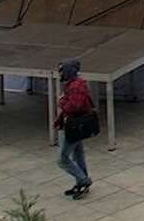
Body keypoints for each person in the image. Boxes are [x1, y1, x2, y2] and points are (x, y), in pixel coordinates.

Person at [53, 58, 95, 199]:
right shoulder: (75, 84)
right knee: (78, 153)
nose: (60, 74)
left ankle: (83, 180)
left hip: (73, 125)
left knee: (62, 158)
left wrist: (62, 102)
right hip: (78, 125)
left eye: (62, 71)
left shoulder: (75, 86)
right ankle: (81, 181)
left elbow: (74, 106)